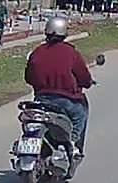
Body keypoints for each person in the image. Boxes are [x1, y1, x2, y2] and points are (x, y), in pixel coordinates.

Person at [24, 16, 93, 163]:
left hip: (41, 100)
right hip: (66, 101)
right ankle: (72, 143)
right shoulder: (71, 53)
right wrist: (87, 83)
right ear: (64, 33)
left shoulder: (37, 52)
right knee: (80, 115)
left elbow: (29, 77)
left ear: (47, 32)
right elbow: (83, 77)